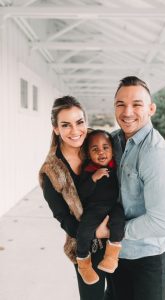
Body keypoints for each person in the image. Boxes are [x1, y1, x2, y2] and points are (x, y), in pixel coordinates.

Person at [105, 76, 165, 300]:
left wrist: (111, 231)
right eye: (120, 104)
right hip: (117, 254)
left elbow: (161, 223)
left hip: (148, 258)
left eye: (136, 104)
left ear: (151, 109)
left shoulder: (155, 154)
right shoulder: (113, 142)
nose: (127, 112)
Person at [39, 96, 111, 300]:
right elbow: (63, 218)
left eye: (79, 122)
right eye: (66, 125)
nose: (75, 130)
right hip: (86, 243)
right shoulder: (51, 171)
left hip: (118, 233)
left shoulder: (99, 143)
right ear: (56, 129)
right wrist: (96, 232)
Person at [76, 129, 125, 285]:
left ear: (112, 150)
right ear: (88, 154)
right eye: (95, 149)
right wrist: (93, 178)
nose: (101, 152)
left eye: (106, 147)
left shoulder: (117, 167)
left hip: (112, 206)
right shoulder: (88, 170)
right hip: (94, 209)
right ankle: (83, 263)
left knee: (119, 221)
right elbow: (81, 194)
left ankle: (111, 257)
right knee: (83, 232)